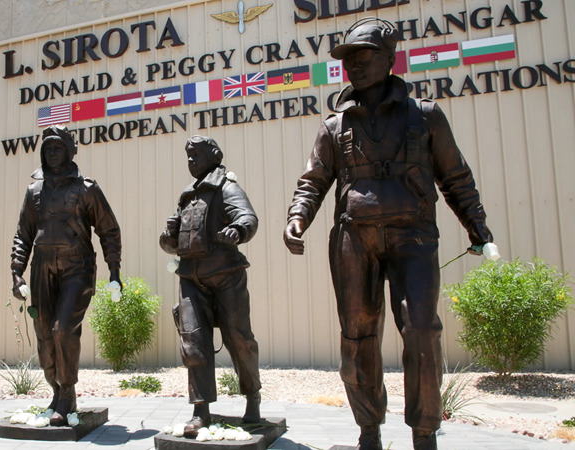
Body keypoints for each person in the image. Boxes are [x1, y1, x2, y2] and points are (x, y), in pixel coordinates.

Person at [283, 18, 493, 450]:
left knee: (421, 329)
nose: (354, 65)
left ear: (389, 58)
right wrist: (298, 217)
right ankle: (368, 431)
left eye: (364, 56)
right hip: (352, 239)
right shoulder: (333, 125)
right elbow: (313, 180)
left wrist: (477, 225)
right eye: (349, 59)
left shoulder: (426, 116)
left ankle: (424, 432)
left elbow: (455, 177)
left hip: (413, 236)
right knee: (357, 335)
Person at [10, 125, 122, 426]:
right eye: (47, 148)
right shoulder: (35, 191)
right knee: (44, 333)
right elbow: (23, 234)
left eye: (58, 147)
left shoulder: (86, 189)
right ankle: (56, 390)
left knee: (62, 329)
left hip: (77, 267)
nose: (52, 152)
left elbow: (109, 230)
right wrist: (16, 272)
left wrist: (114, 271)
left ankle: (68, 392)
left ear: (71, 151)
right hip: (42, 268)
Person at [160, 135, 261, 437]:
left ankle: (252, 396)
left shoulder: (225, 187)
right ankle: (200, 410)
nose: (190, 161)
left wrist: (238, 229)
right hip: (191, 278)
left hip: (225, 274)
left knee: (239, 339)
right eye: (187, 156)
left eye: (196, 155)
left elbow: (248, 217)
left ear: (214, 155)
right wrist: (168, 236)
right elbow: (171, 244)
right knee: (193, 342)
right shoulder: (186, 197)